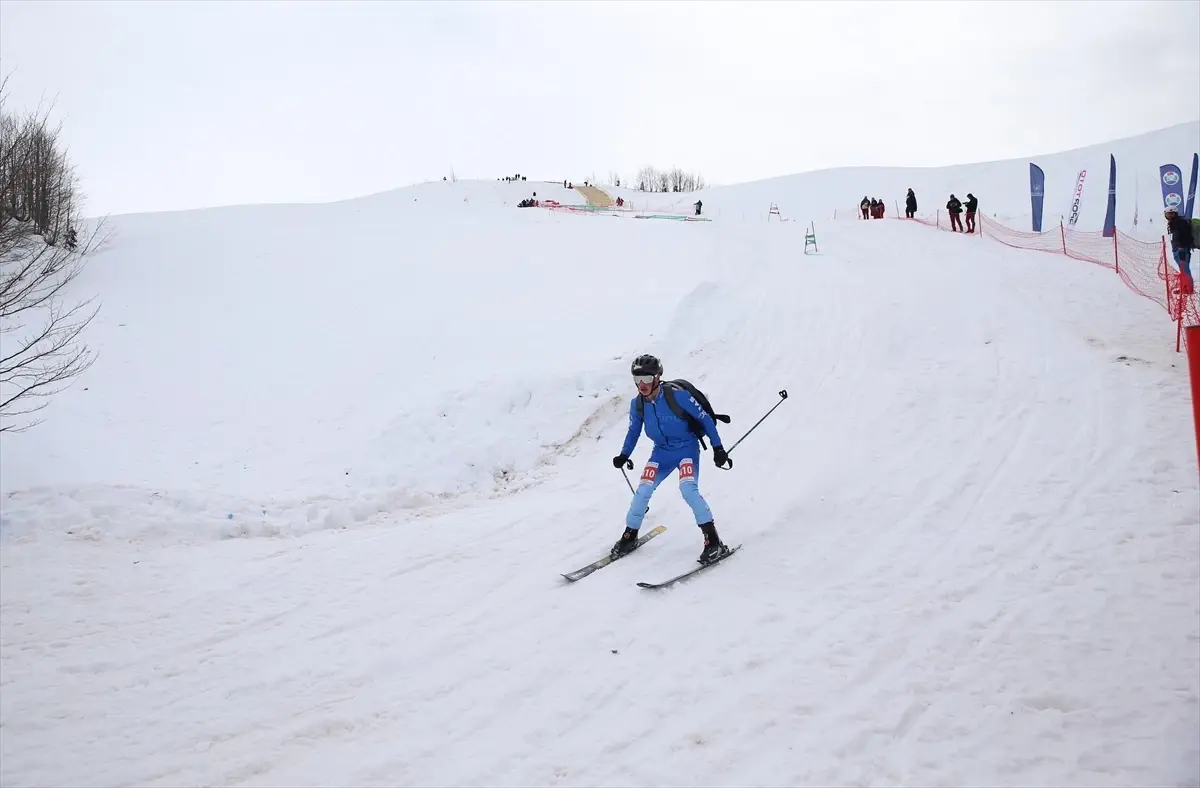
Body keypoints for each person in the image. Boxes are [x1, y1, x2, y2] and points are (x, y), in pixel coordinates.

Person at [611, 354, 731, 565]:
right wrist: (624, 455)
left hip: (686, 450)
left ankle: (713, 541)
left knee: (688, 489)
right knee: (643, 490)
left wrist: (718, 448)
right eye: (637, 379)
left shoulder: (677, 396)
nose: (642, 384)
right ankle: (630, 535)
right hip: (661, 453)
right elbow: (633, 431)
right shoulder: (638, 404)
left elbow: (705, 419)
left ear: (657, 377)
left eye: (647, 379)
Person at [1165, 206, 1194, 289]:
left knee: (1185, 269)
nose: (1169, 216)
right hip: (1176, 249)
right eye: (1167, 214)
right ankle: (1184, 287)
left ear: (1175, 213)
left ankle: (1188, 288)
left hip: (1182, 250)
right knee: (1182, 269)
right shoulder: (1172, 223)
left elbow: (1185, 235)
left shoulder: (1181, 222)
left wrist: (1182, 246)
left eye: (1171, 214)